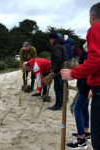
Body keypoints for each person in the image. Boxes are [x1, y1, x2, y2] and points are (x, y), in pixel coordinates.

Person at [61, 2, 100, 150]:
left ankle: (82, 139)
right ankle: (85, 133)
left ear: (92, 17)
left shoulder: (96, 28)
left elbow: (96, 60)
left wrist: (73, 73)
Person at [67, 42, 91, 149]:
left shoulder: (90, 54)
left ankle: (81, 140)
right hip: (84, 85)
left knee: (77, 109)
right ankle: (86, 133)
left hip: (86, 86)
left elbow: (89, 70)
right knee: (84, 108)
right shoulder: (87, 53)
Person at [48, 32, 68, 110]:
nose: (49, 42)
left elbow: (58, 59)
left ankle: (58, 105)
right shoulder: (62, 45)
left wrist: (55, 71)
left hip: (59, 71)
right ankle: (62, 103)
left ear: (52, 39)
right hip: (63, 69)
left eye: (49, 40)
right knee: (62, 87)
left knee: (57, 88)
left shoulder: (56, 47)